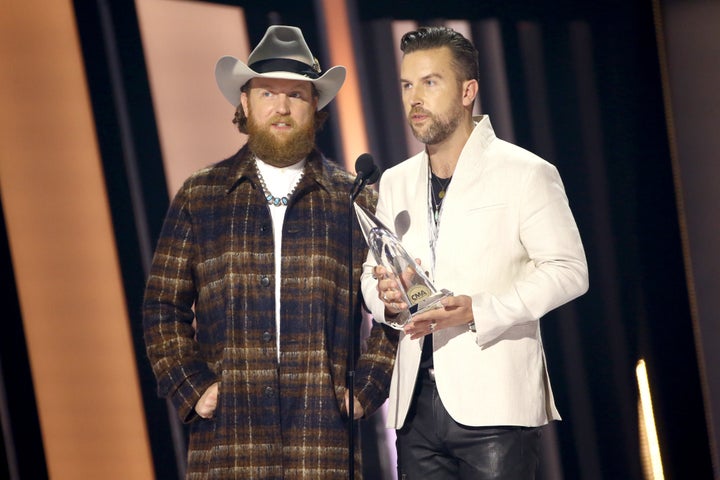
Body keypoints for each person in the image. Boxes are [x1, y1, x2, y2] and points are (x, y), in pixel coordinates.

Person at [142, 25, 397, 479]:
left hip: (322, 443)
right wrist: (192, 386)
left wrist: (366, 390)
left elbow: (395, 308)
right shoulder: (202, 195)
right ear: (244, 103)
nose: (281, 108)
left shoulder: (355, 199)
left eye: (295, 95)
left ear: (314, 105)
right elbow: (162, 306)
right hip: (228, 443)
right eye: (267, 94)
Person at [361, 26, 589, 479]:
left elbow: (569, 270)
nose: (415, 98)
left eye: (430, 82)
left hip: (495, 404)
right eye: (407, 85)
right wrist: (385, 298)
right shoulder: (394, 181)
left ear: (468, 91)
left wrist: (478, 311)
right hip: (416, 407)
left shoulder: (525, 172)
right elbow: (371, 274)